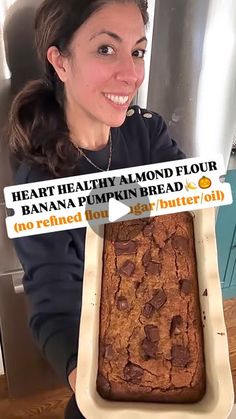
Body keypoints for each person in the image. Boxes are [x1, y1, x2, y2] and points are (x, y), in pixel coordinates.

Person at [8, 0, 185, 417]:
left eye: (137, 51)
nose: (131, 74)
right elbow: (52, 299)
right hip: (105, 355)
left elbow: (184, 218)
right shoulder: (40, 180)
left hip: (163, 324)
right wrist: (93, 383)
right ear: (61, 62)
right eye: (106, 49)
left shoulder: (148, 132)